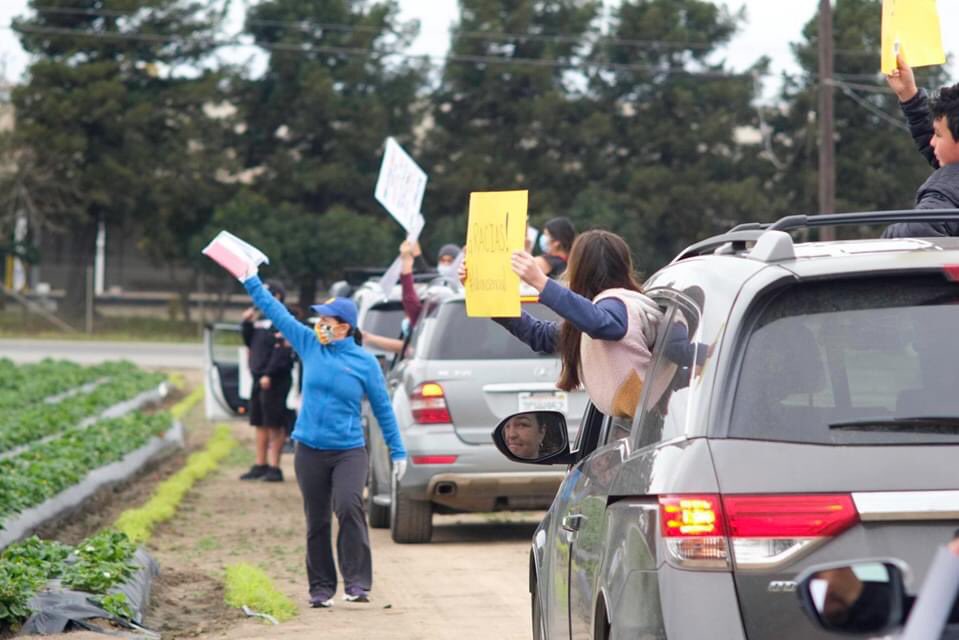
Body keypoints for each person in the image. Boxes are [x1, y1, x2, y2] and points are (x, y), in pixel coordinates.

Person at [241, 274, 407, 608]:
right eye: (320, 320)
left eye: (328, 321)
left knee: (348, 506)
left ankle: (357, 583)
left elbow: (383, 410)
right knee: (316, 519)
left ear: (345, 326)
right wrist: (251, 281)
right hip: (309, 449)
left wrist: (397, 450)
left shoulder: (364, 363)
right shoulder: (308, 344)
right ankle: (320, 587)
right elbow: (277, 313)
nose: (321, 325)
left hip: (348, 450)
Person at [465, 229, 663, 419]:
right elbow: (540, 336)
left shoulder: (619, 304)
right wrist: (484, 292)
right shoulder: (596, 314)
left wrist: (540, 281)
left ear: (578, 270)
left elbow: (602, 324)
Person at [882, 53, 959, 238]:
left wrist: (885, 240)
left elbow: (919, 230)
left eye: (938, 135)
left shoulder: (949, 187)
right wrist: (909, 96)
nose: (932, 141)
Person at [239, 281, 295, 482]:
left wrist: (269, 374)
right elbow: (250, 342)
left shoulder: (284, 318)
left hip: (275, 378)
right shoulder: (260, 318)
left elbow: (283, 350)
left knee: (274, 423)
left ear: (277, 296)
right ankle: (260, 464)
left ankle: (274, 466)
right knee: (259, 421)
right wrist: (246, 323)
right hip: (258, 376)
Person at [399, 240, 461, 328]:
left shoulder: (467, 294)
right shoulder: (436, 287)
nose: (446, 264)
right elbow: (414, 309)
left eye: (450, 261)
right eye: (442, 260)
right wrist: (406, 265)